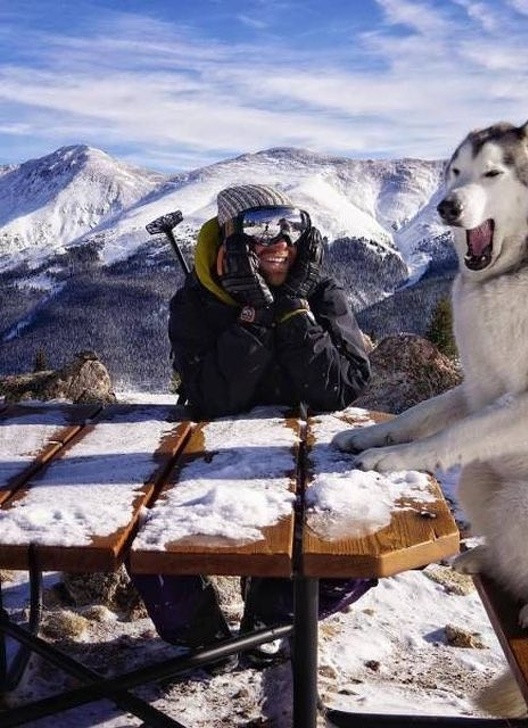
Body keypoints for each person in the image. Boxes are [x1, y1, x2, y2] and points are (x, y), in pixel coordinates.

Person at [130, 184, 374, 667]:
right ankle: (198, 636)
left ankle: (272, 617)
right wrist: (253, 317)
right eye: (261, 228)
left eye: (290, 225)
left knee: (360, 553)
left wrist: (292, 310)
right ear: (230, 240)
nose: (280, 240)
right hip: (211, 459)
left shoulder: (319, 292)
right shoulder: (196, 301)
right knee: (142, 540)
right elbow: (211, 401)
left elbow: (342, 387)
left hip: (303, 458)